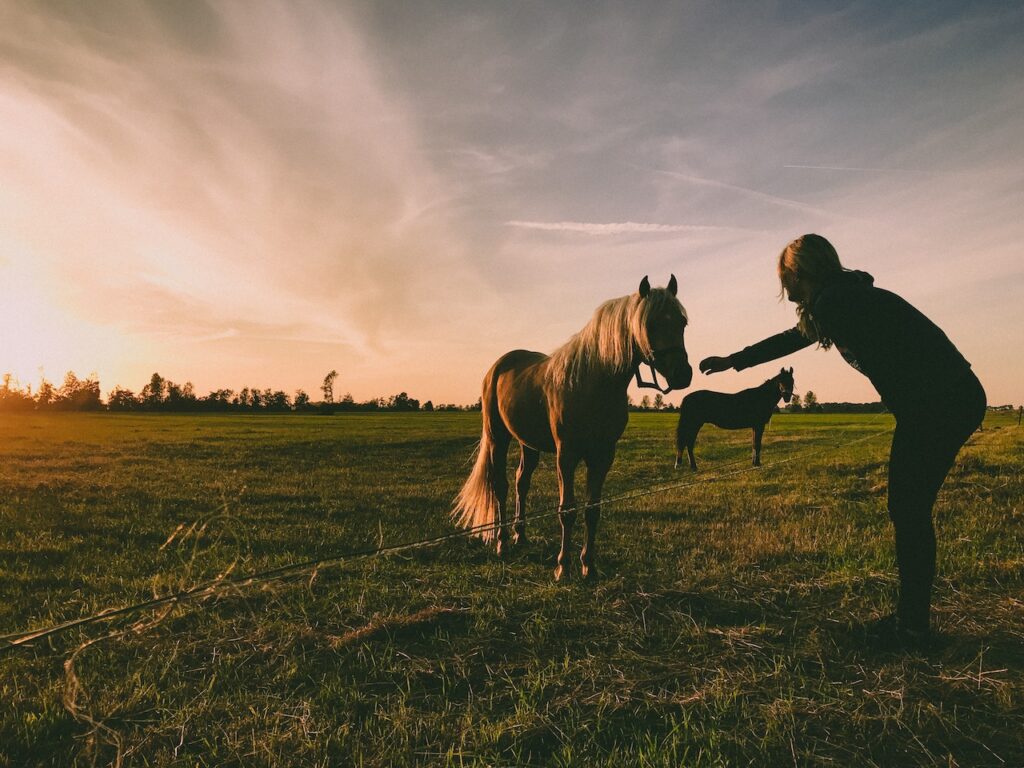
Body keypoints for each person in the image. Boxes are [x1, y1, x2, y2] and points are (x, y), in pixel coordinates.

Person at [700, 234, 986, 646]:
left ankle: (913, 628)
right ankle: (912, 621)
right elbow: (801, 336)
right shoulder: (845, 295)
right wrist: (737, 361)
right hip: (949, 397)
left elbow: (793, 339)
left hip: (939, 402)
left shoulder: (835, 301)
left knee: (907, 508)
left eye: (786, 278)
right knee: (909, 507)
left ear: (800, 273)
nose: (785, 289)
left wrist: (735, 360)